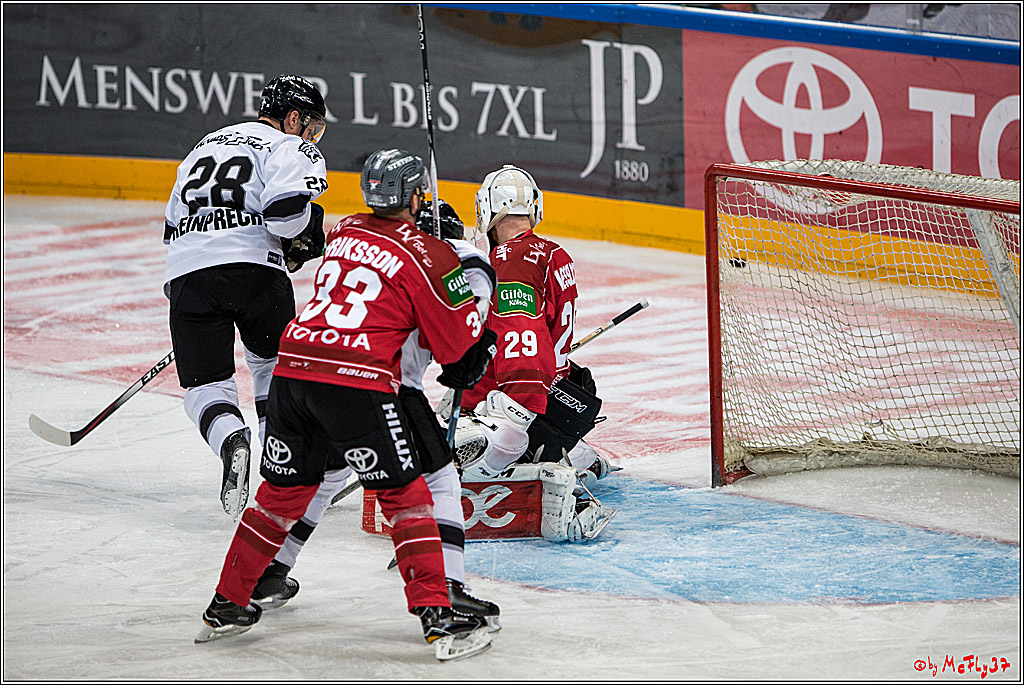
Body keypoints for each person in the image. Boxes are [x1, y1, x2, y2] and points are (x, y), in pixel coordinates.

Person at [194, 149, 498, 662]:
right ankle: (438, 615)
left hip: (292, 372)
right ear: (415, 197)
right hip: (356, 383)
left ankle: (227, 602)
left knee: (278, 497)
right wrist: (474, 321)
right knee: (407, 497)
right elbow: (456, 349)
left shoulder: (345, 230)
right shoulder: (430, 254)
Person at [249, 198, 502, 633]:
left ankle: (269, 571)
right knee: (440, 481)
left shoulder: (368, 238)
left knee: (326, 476)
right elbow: (461, 351)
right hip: (384, 386)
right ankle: (447, 588)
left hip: (317, 372)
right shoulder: (464, 262)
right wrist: (477, 348)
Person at [163, 75, 329, 519]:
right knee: (273, 368)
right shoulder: (288, 145)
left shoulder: (204, 145)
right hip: (257, 274)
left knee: (205, 388)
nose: (310, 135)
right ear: (292, 118)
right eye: (310, 125)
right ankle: (282, 471)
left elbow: (172, 226)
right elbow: (284, 215)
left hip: (189, 274)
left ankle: (231, 439)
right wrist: (302, 237)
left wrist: (188, 297)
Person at [452, 165, 617, 542]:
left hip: (523, 404)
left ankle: (547, 469)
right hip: (555, 394)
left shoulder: (509, 260)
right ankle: (577, 457)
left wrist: (513, 418)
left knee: (444, 441)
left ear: (487, 210)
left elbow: (522, 345)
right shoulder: (552, 253)